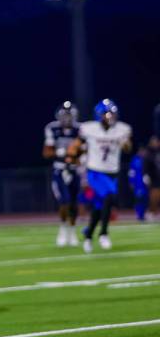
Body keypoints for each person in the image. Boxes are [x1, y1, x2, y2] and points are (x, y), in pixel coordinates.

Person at [69, 99, 132, 253]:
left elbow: (128, 148)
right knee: (110, 196)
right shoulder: (90, 128)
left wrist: (124, 143)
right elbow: (75, 146)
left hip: (113, 173)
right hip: (95, 171)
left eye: (112, 114)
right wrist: (71, 154)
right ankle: (103, 233)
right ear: (99, 115)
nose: (109, 117)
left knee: (99, 206)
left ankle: (89, 235)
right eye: (106, 114)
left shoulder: (122, 129)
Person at [42, 101, 82, 246]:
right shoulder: (52, 128)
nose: (67, 118)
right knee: (64, 201)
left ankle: (72, 231)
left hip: (75, 170)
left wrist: (77, 157)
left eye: (69, 115)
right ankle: (63, 229)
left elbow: (84, 149)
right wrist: (62, 152)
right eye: (64, 115)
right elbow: (46, 152)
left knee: (74, 203)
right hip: (59, 169)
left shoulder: (80, 129)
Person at [128, 145, 149, 221]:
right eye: (143, 151)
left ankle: (143, 214)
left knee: (145, 198)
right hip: (137, 183)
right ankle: (139, 214)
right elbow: (131, 172)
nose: (144, 153)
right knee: (139, 198)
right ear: (140, 151)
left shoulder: (146, 159)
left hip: (145, 183)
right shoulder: (135, 160)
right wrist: (131, 182)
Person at [145, 135, 160, 219]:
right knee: (154, 195)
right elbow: (145, 165)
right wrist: (146, 175)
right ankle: (151, 212)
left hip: (158, 177)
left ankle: (154, 212)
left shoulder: (158, 152)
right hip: (153, 177)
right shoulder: (149, 153)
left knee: (158, 196)